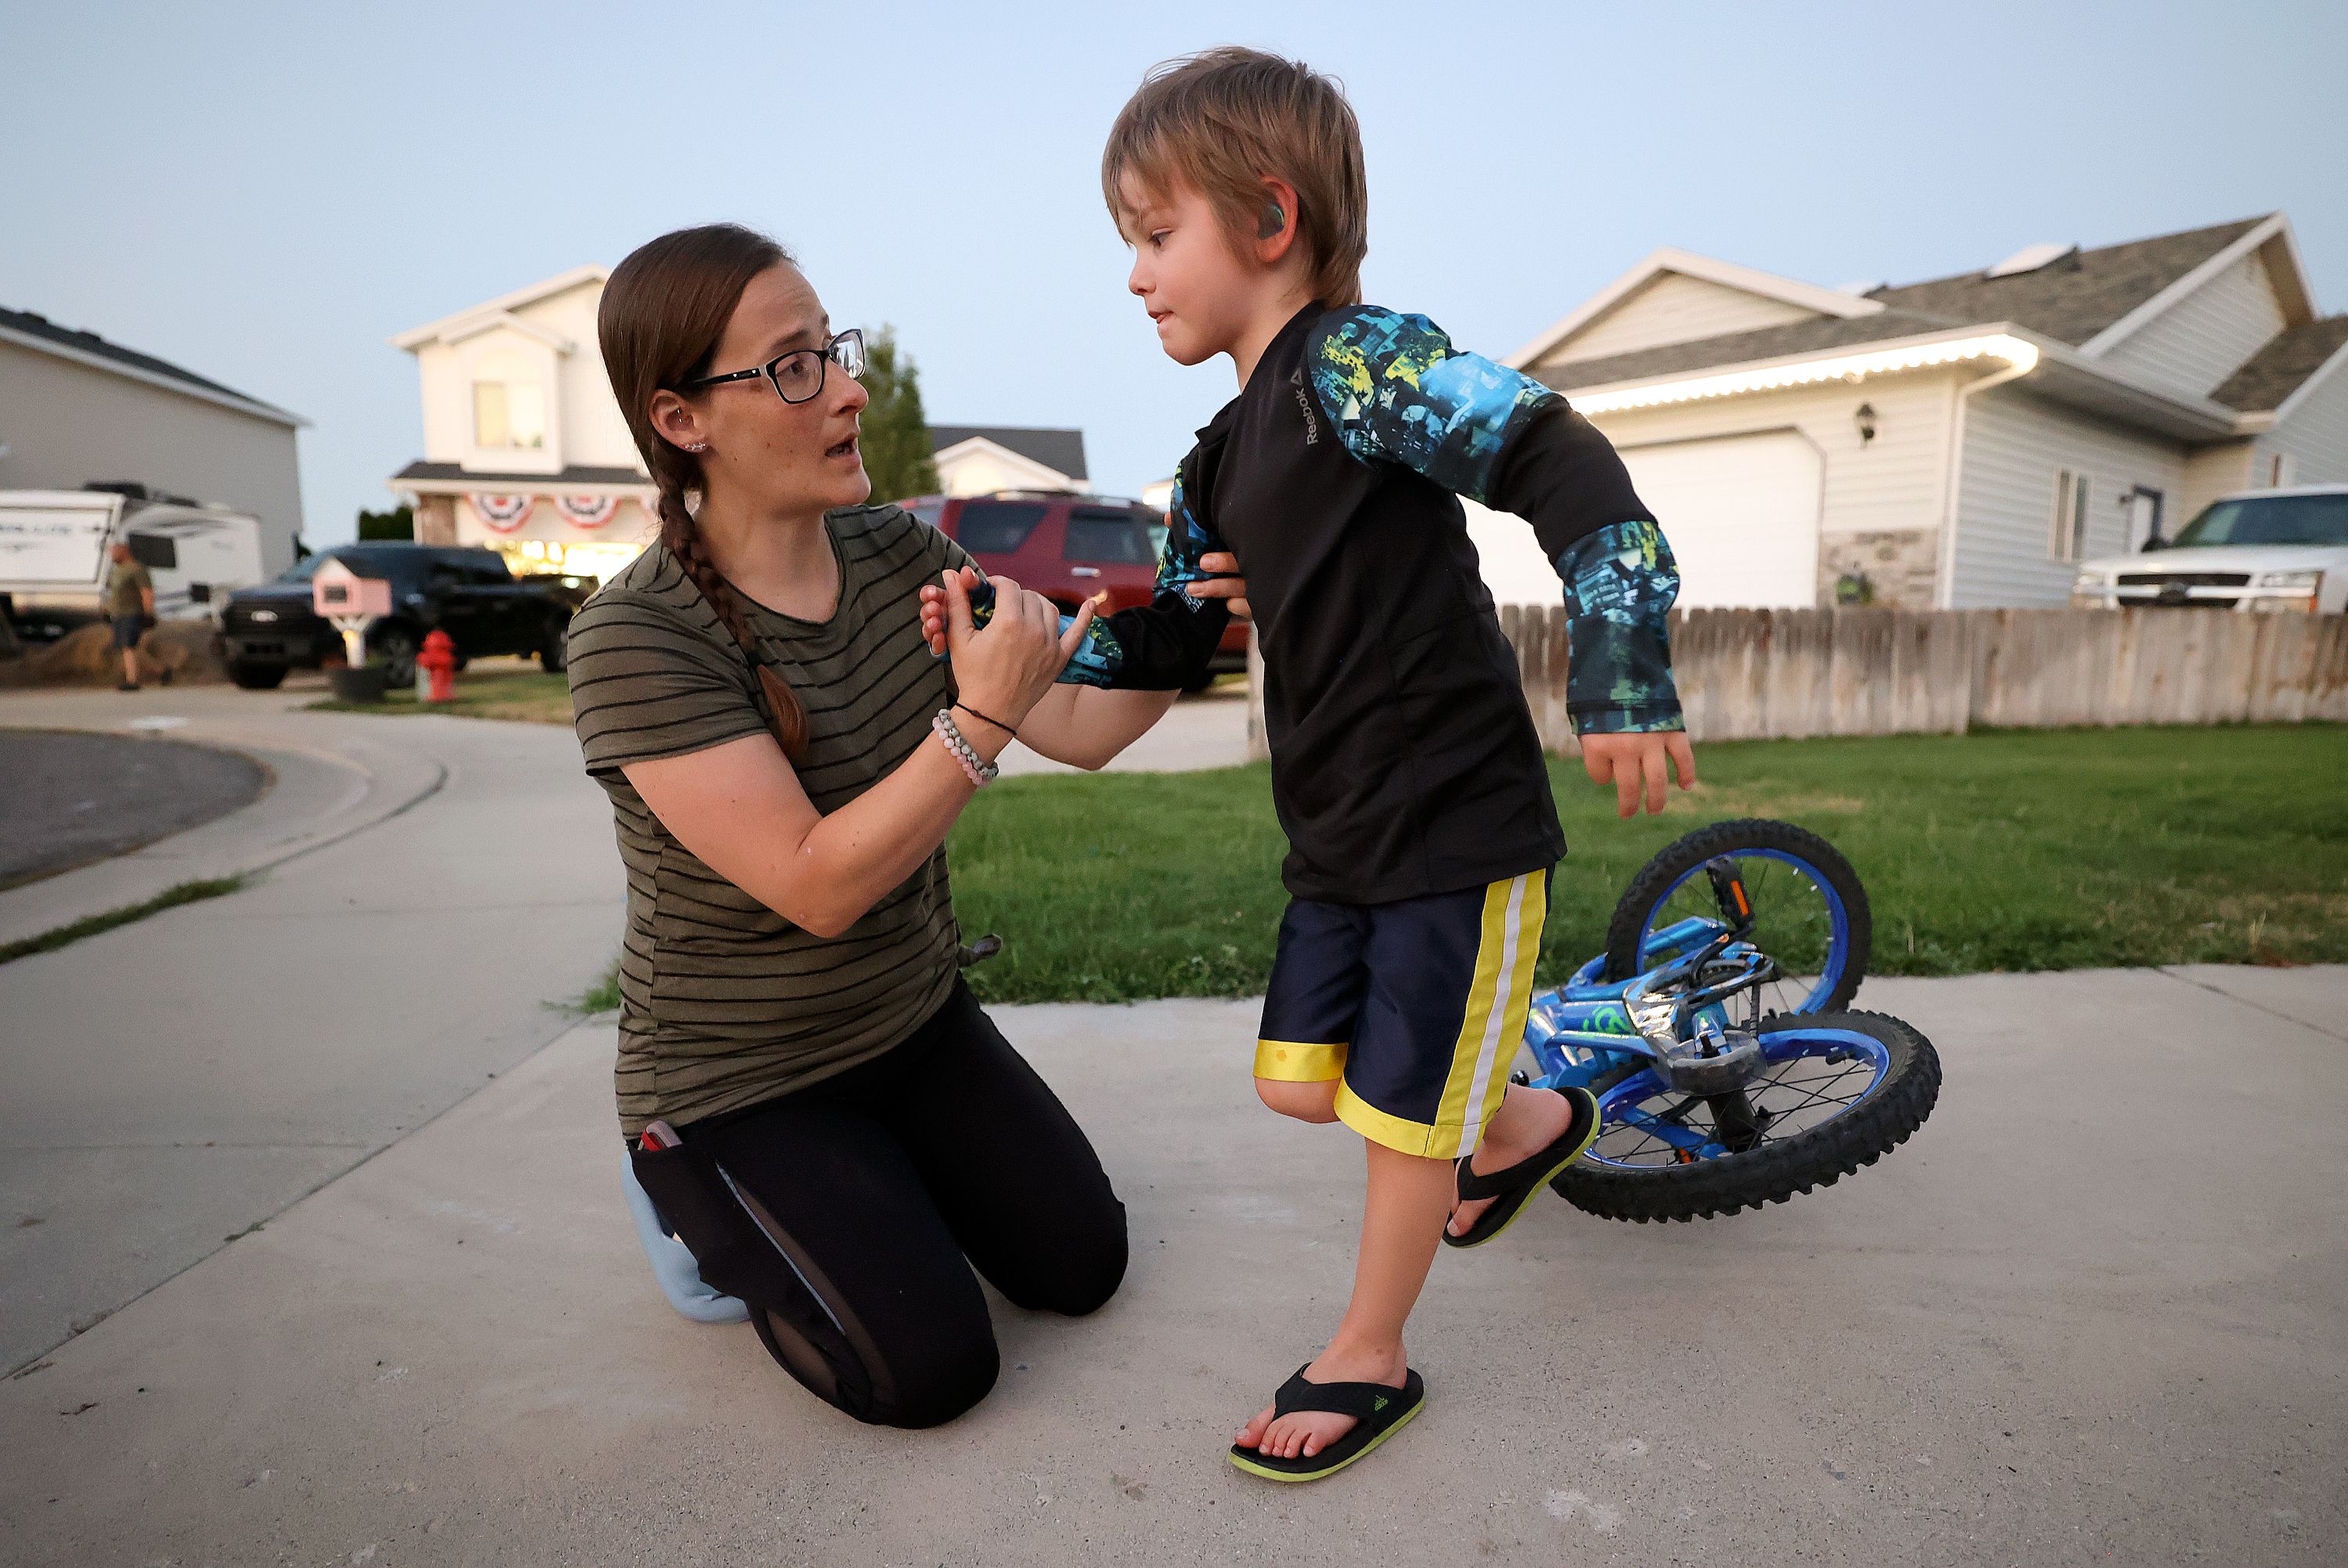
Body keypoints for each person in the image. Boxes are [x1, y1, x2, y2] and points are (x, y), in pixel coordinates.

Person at [928, 46, 1699, 1480]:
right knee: (1302, 1083)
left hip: (1452, 826)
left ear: (1269, 221)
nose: (1138, 273)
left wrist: (1623, 665)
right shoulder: (1218, 462)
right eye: (1131, 245)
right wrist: (988, 675)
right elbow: (1116, 705)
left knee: (1403, 1118)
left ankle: (1370, 1348)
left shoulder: (1363, 365)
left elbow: (1560, 459)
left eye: (1158, 236)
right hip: (1339, 840)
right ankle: (1525, 1120)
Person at [563, 223, 1245, 1428]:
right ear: (681, 421)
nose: (847, 388)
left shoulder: (899, 556)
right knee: (930, 1373)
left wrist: (1194, 616)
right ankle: (690, 1194)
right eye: (792, 368)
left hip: (910, 1023)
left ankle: (876, 1182)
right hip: (744, 1079)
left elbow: (1077, 728)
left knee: (1082, 1270)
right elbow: (816, 884)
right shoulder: (636, 639)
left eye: (833, 349)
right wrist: (980, 717)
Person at [105, 541, 154, 691]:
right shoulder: (116, 570)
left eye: (115, 551)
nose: (112, 554)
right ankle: (161, 671)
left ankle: (132, 680)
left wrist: (148, 613)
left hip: (132, 613)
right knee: (125, 647)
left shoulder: (137, 569)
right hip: (118, 614)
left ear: (124, 550)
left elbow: (146, 592)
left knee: (128, 646)